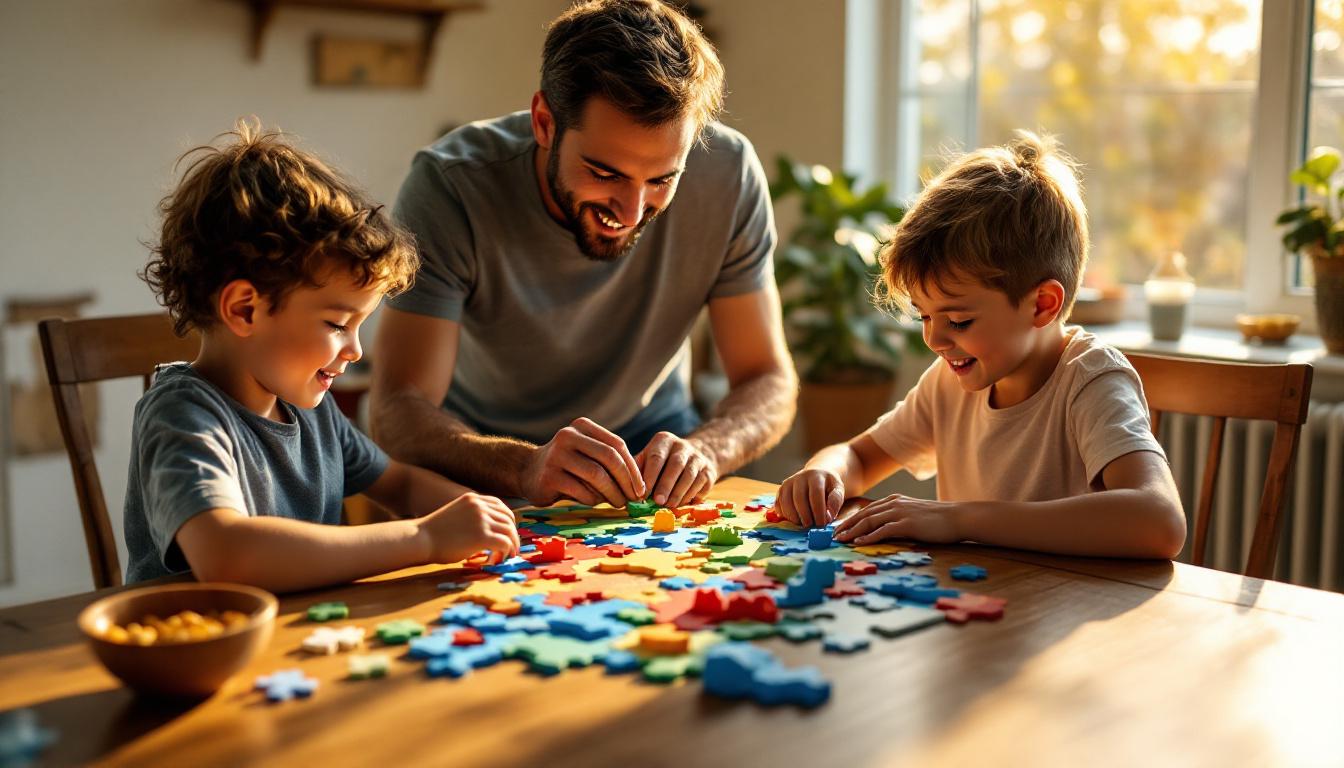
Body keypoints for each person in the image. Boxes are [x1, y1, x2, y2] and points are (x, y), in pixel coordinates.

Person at [370, 0, 797, 512]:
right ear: (544, 123)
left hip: (651, 458)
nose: (633, 210)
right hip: (486, 464)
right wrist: (525, 467)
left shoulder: (728, 173)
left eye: (662, 179)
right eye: (604, 173)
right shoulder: (450, 185)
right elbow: (397, 408)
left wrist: (709, 449)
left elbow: (767, 379)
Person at [123, 121, 521, 592]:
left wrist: (489, 516)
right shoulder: (181, 416)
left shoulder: (313, 411)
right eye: (337, 324)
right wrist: (425, 537)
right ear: (245, 310)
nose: (356, 350)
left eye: (359, 326)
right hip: (205, 636)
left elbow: (401, 485)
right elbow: (227, 557)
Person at [777, 132, 1187, 560]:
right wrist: (823, 472)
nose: (935, 340)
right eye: (924, 316)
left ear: (1042, 305)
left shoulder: (1090, 380)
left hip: (1068, 599)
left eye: (958, 321)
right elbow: (858, 458)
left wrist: (960, 520)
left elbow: (1160, 521)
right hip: (978, 595)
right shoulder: (948, 383)